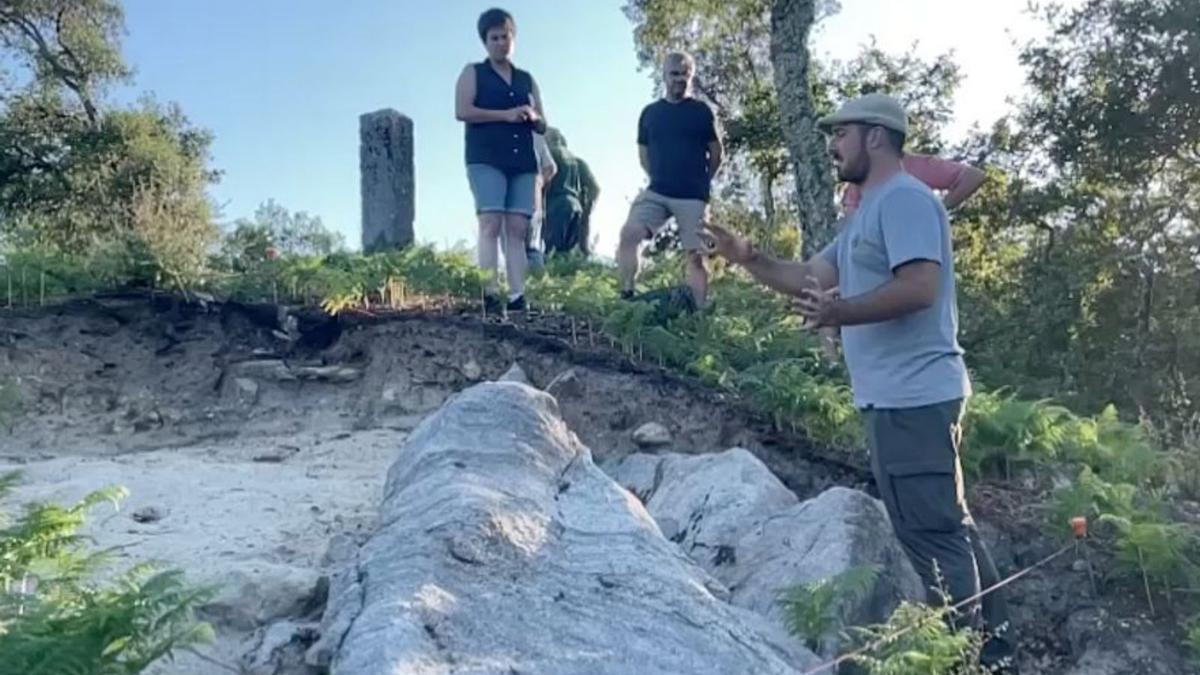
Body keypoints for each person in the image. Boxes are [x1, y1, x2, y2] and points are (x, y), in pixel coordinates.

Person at [702, 93, 1017, 673]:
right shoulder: (864, 214)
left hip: (912, 398)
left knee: (932, 537)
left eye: (841, 133)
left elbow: (920, 286)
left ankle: (959, 658)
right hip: (906, 397)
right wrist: (747, 256)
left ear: (875, 136)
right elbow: (807, 277)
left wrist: (839, 313)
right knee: (950, 524)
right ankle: (995, 650)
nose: (832, 145)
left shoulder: (904, 201)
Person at [454, 7, 546, 313]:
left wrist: (532, 117)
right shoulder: (473, 73)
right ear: (485, 41)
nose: (500, 43)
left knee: (518, 228)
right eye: (494, 38)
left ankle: (518, 295)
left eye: (505, 36)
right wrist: (505, 115)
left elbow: (544, 122)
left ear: (513, 38)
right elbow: (463, 111)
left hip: (522, 161)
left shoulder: (526, 79)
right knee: (490, 223)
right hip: (486, 157)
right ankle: (490, 293)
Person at [616, 51, 723, 309]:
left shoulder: (701, 112)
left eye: (685, 75)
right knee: (629, 234)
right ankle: (627, 296)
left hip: (692, 196)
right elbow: (644, 155)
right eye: (675, 74)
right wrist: (658, 176)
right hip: (657, 191)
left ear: (691, 77)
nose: (680, 80)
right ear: (664, 75)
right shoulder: (650, 114)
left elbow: (717, 153)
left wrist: (701, 182)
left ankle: (699, 312)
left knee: (695, 256)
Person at [542, 127, 600, 256]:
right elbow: (595, 189)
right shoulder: (578, 161)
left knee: (552, 252)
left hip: (555, 206)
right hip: (576, 207)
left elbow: (542, 182)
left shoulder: (549, 156)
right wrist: (587, 210)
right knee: (569, 252)